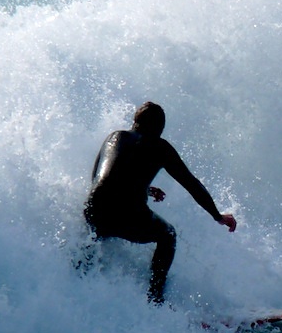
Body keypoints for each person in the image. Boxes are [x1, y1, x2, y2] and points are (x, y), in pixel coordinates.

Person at [83, 101, 237, 304]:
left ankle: (81, 278)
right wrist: (218, 216)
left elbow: (100, 179)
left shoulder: (115, 137)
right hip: (126, 213)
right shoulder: (160, 147)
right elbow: (191, 184)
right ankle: (155, 299)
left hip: (95, 207)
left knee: (99, 233)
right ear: (159, 129)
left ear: (135, 121)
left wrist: (143, 189)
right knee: (168, 235)